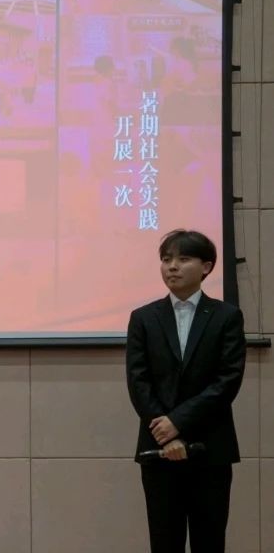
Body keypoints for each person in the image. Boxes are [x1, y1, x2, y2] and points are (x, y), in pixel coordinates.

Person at [126, 229, 246, 553]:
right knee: (165, 542)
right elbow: (138, 382)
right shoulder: (143, 318)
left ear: (206, 267)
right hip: (158, 449)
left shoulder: (227, 316)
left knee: (210, 542)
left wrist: (177, 422)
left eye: (183, 258)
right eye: (166, 259)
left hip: (210, 448)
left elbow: (227, 381)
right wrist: (166, 433)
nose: (172, 266)